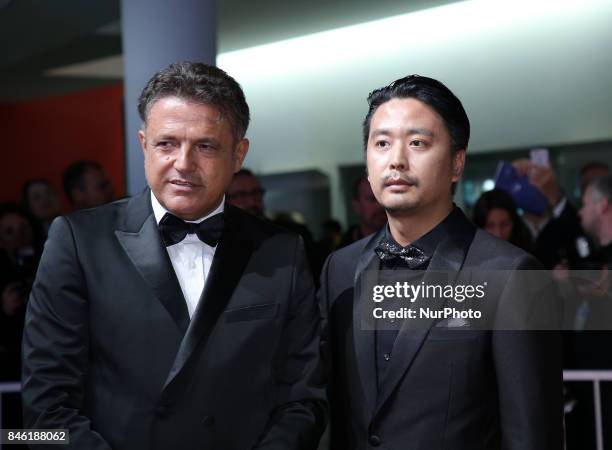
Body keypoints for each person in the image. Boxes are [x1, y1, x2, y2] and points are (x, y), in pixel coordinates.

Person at [22, 62, 326, 450]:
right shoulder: (79, 242)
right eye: (167, 143)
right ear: (144, 144)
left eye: (205, 146)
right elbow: (44, 410)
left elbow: (304, 399)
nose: (183, 163)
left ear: (238, 154)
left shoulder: (282, 250)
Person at [319, 75, 563, 450]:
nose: (396, 160)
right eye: (381, 143)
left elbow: (531, 433)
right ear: (367, 165)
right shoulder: (339, 268)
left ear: (456, 164)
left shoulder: (509, 274)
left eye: (417, 143)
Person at [340, 175, 387, 247]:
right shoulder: (342, 251)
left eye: (384, 198)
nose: (380, 206)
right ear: (357, 206)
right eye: (372, 199)